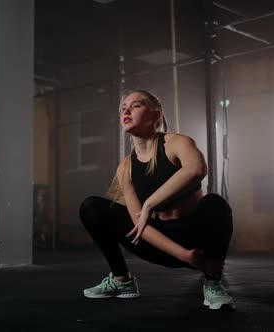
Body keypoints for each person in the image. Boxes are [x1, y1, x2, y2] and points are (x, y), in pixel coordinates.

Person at [79, 89, 235, 310]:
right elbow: (139, 226)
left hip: (197, 241)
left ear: (156, 116)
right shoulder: (126, 167)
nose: (127, 111)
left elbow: (197, 169)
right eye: (124, 108)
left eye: (136, 105)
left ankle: (213, 281)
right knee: (92, 207)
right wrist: (187, 257)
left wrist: (149, 204)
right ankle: (122, 280)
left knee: (216, 204)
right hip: (163, 245)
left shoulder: (177, 143)